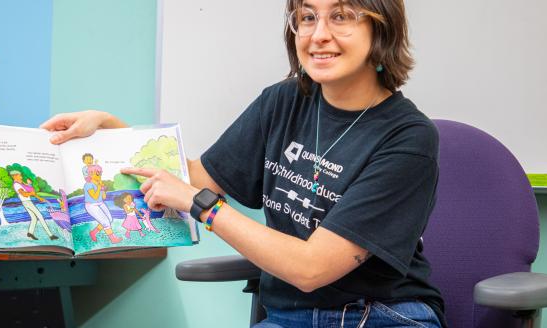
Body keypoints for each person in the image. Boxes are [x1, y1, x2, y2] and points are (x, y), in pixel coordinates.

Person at [40, 0, 445, 326]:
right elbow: (195, 179)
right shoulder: (283, 101)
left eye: (340, 15)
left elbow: (311, 268)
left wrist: (202, 206)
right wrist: (108, 129)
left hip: (380, 315)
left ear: (381, 26)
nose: (319, 35)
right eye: (307, 16)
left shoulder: (408, 137)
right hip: (289, 316)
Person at [10, 170, 59, 241]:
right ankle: (50, 235)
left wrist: (39, 198)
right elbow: (24, 194)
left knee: (34, 218)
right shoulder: (16, 185)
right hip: (27, 202)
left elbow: (31, 192)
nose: (21, 176)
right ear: (15, 176)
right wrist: (31, 193)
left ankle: (30, 232)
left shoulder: (21, 183)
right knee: (40, 216)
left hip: (27, 202)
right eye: (19, 175)